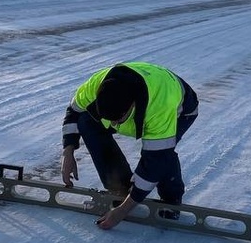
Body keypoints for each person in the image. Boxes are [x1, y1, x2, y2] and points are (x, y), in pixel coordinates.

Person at [61, 62, 199, 231]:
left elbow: (155, 160)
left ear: (132, 105)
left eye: (117, 120)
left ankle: (171, 201)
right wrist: (68, 153)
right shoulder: (95, 85)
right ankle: (120, 187)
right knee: (86, 121)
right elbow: (74, 112)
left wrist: (123, 211)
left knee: (162, 152)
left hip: (179, 110)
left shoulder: (160, 107)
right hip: (141, 92)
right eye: (108, 118)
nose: (112, 124)